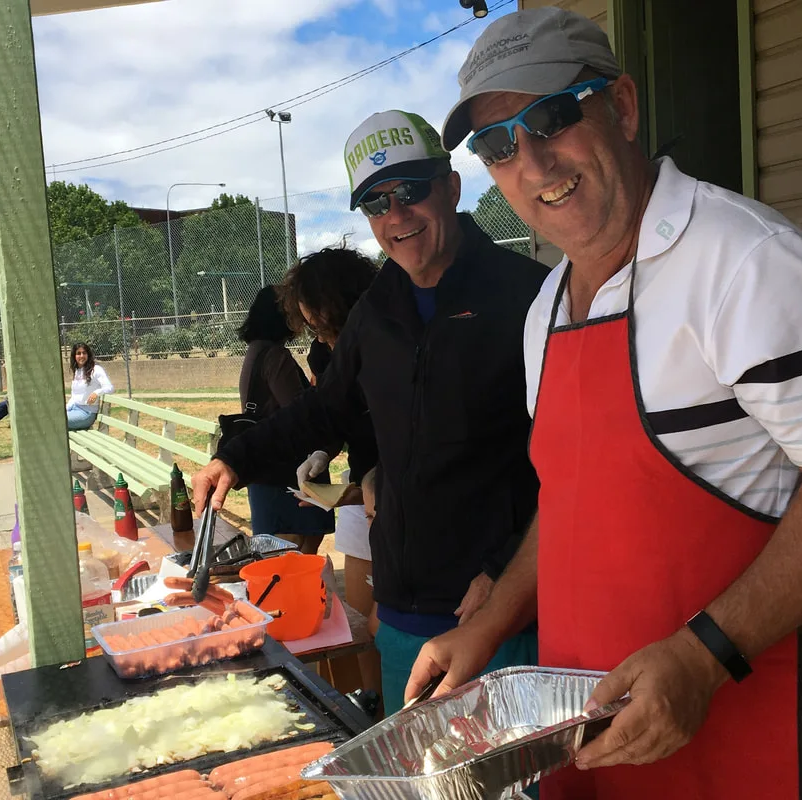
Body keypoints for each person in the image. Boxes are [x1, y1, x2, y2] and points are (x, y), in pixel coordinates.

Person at [408, 8, 802, 800]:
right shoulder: (545, 306)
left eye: (551, 116)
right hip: (601, 742)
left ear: (625, 107)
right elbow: (574, 496)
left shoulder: (746, 262)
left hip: (775, 746)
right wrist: (490, 621)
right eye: (497, 145)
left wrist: (705, 653)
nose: (532, 161)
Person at [194, 109, 550, 715]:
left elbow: (567, 457)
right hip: (406, 605)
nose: (396, 215)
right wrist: (234, 457)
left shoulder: (529, 294)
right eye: (376, 203)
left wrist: (506, 569)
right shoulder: (376, 309)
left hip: (499, 609)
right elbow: (325, 410)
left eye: (411, 190)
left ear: (452, 186)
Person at [278, 246, 381, 703]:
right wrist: (323, 450)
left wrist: (370, 487)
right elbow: (334, 415)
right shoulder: (325, 356)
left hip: (405, 500)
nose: (321, 341)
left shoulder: (393, 350)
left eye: (328, 327)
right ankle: (372, 701)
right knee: (361, 622)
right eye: (313, 328)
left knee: (388, 621)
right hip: (364, 499)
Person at [235, 285, 335, 553]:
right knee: (294, 548)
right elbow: (299, 410)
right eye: (294, 311)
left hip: (266, 466)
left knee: (282, 548)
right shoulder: (275, 355)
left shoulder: (256, 350)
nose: (301, 319)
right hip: (285, 469)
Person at [0, 341, 112, 430]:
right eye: (78, 353)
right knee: (45, 417)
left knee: (49, 423)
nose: (81, 356)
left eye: (84, 353)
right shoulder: (78, 371)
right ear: (74, 356)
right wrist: (64, 409)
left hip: (86, 414)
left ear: (88, 355)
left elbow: (110, 388)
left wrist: (97, 393)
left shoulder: (96, 369)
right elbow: (75, 397)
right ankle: (9, 413)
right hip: (74, 409)